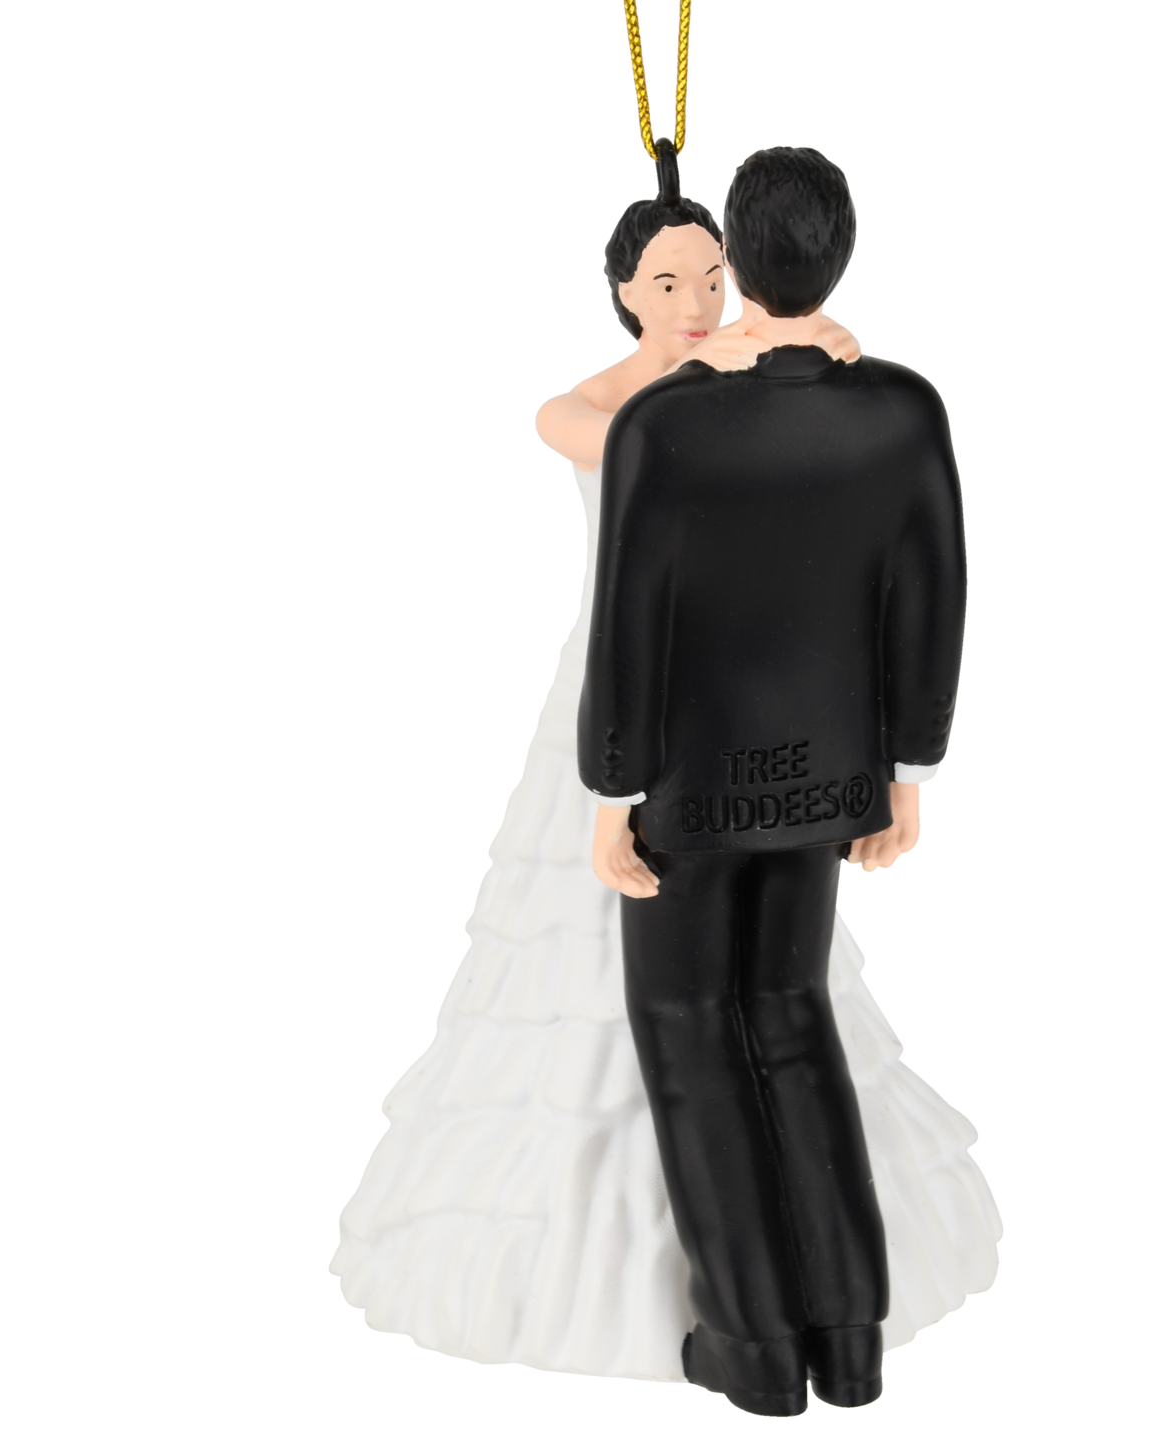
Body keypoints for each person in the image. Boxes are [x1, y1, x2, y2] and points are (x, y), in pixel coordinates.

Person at [326, 142, 1002, 1393]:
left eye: (709, 272)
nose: (692, 296)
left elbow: (629, 625)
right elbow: (935, 600)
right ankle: (850, 1345)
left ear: (737, 264)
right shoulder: (903, 402)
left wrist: (611, 795)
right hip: (827, 780)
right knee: (795, 1019)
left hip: (689, 783)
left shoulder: (671, 426)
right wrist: (907, 771)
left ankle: (751, 1348)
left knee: (689, 1035)